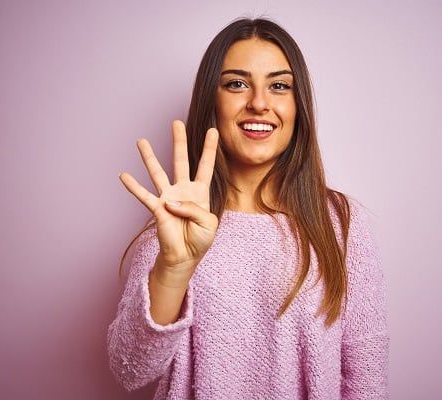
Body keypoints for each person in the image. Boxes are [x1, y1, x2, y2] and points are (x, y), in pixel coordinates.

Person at [107, 17, 390, 400]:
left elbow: (365, 374)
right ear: (212, 100)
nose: (259, 103)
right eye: (237, 84)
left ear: (298, 105)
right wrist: (173, 269)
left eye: (278, 86)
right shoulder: (175, 224)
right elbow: (129, 369)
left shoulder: (339, 222)